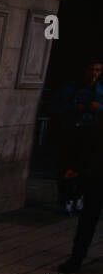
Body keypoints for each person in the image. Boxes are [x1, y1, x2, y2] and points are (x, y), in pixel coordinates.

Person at [51, 60, 103, 215]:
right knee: (66, 165)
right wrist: (75, 108)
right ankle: (67, 197)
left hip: (91, 132)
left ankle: (78, 195)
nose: (94, 74)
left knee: (85, 167)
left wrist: (99, 108)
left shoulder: (100, 89)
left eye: (98, 70)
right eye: (91, 69)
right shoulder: (70, 88)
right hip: (72, 130)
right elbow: (55, 106)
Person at [58, 115, 103, 274]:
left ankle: (76, 259)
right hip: (96, 177)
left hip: (95, 177)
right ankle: (76, 258)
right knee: (88, 219)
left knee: (88, 220)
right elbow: (91, 146)